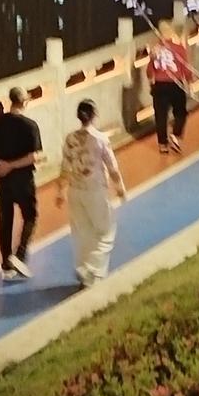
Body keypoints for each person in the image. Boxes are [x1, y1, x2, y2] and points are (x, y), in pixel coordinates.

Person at [56, 99, 127, 287]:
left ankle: (85, 272)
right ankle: (92, 268)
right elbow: (112, 167)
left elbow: (65, 167)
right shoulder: (100, 139)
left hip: (74, 191)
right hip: (95, 191)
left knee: (82, 233)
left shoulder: (70, 139)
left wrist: (60, 191)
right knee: (105, 233)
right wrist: (120, 188)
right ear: (94, 115)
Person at [0, 86, 42, 281]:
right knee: (30, 216)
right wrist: (12, 165)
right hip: (23, 180)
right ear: (24, 102)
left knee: (5, 219)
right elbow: (33, 157)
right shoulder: (30, 126)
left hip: (4, 180)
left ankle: (6, 264)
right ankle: (20, 255)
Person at [147, 23, 194, 154]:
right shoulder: (179, 48)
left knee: (160, 115)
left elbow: (149, 71)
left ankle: (162, 145)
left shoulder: (155, 51)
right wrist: (189, 82)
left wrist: (152, 81)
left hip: (159, 86)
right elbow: (185, 68)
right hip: (175, 84)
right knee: (180, 113)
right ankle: (175, 134)